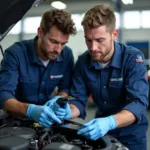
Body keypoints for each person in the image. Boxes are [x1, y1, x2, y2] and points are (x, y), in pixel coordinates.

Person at [52, 4, 149, 150]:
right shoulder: (83, 62)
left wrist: (110, 122)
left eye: (100, 40)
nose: (93, 47)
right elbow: (78, 100)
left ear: (114, 34)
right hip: (100, 133)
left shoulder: (133, 59)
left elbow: (139, 103)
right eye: (88, 40)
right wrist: (68, 110)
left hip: (132, 135)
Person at [0, 8, 76, 127]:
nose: (58, 49)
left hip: (49, 121)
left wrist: (60, 99)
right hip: (16, 121)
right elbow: (3, 95)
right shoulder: (15, 54)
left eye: (63, 43)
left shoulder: (66, 55)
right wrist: (29, 110)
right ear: (40, 32)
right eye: (53, 41)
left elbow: (65, 88)